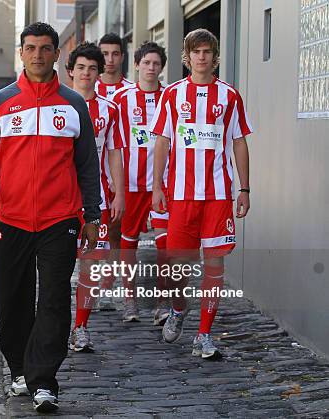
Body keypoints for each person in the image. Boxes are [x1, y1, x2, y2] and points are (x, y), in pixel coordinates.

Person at [0, 22, 101, 413]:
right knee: (12, 301)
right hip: (13, 220)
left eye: (45, 48)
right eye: (30, 48)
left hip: (61, 220)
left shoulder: (74, 104)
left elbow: (88, 166)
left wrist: (92, 215)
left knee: (55, 300)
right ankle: (20, 370)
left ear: (56, 54)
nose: (38, 55)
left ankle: (44, 381)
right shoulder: (1, 101)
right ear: (21, 53)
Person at [150, 29, 252, 359]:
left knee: (214, 265)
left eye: (208, 51)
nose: (202, 57)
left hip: (219, 195)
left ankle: (204, 335)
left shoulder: (230, 95)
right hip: (181, 195)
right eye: (196, 52)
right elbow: (162, 141)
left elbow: (239, 141)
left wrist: (244, 188)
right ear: (187, 56)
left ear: (215, 55)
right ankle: (178, 308)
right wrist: (157, 187)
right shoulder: (173, 95)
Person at [65, 42, 124, 353]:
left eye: (92, 68)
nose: (86, 74)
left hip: (95, 202)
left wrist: (119, 193)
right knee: (59, 267)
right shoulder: (56, 105)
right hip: (59, 201)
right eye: (81, 68)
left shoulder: (110, 110)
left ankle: (81, 327)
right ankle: (56, 325)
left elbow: (114, 152)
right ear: (70, 71)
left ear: (100, 73)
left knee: (91, 265)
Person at [112, 41, 170, 324]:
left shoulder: (170, 97)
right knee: (129, 244)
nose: (151, 68)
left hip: (163, 183)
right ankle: (129, 300)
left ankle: (161, 302)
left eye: (156, 64)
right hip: (131, 184)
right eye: (146, 62)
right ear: (136, 65)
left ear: (161, 68)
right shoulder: (122, 98)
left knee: (165, 244)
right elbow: (114, 144)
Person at [94, 33, 135, 310]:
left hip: (123, 174)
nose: (109, 60)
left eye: (115, 54)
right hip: (93, 177)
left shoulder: (133, 90)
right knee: (96, 234)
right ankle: (99, 282)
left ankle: (112, 285)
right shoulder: (85, 87)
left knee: (119, 233)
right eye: (104, 54)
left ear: (123, 56)